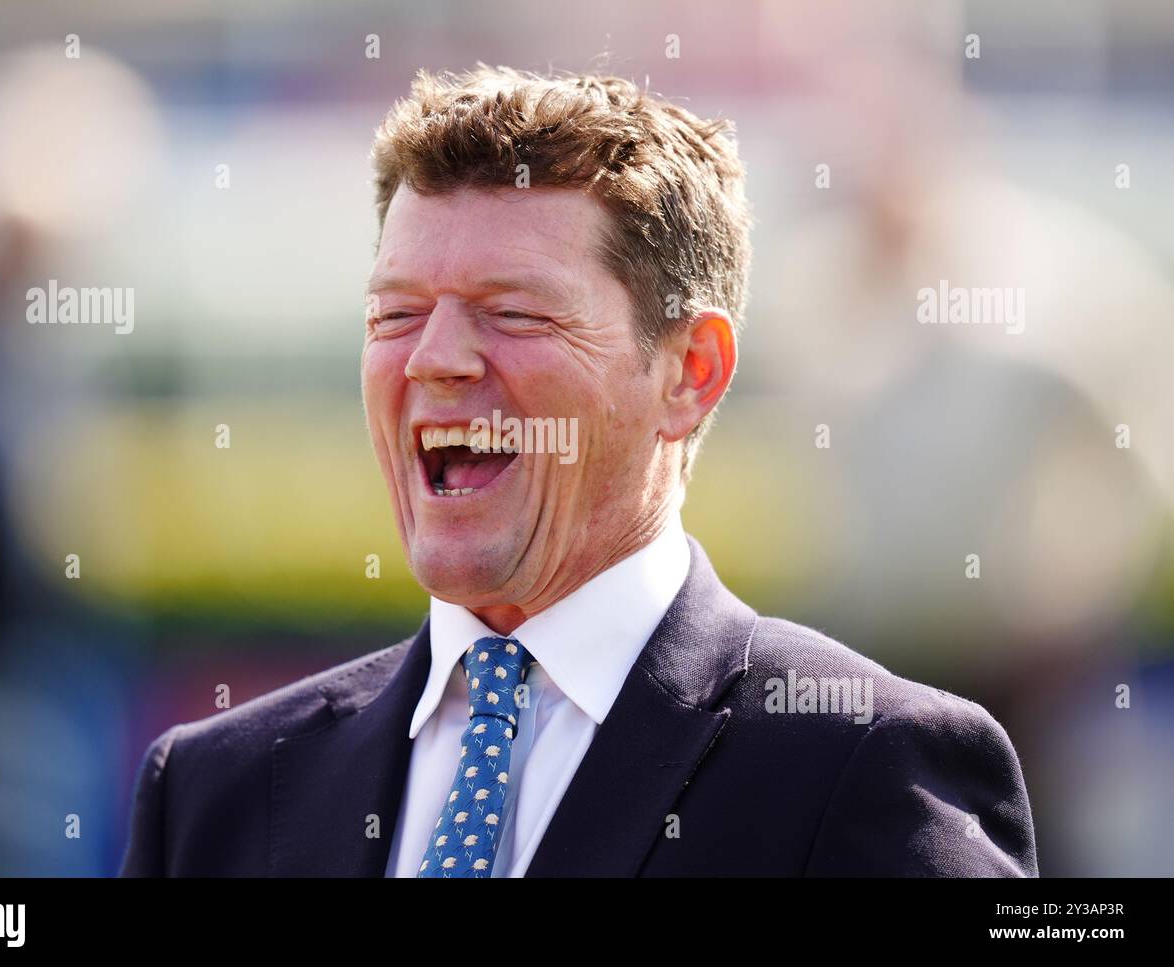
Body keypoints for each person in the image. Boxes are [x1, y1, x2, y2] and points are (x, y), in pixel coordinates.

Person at [119, 65, 1037, 877]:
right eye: (395, 314)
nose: (435, 358)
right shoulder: (214, 792)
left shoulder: (863, 765)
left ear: (691, 372)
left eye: (513, 312)